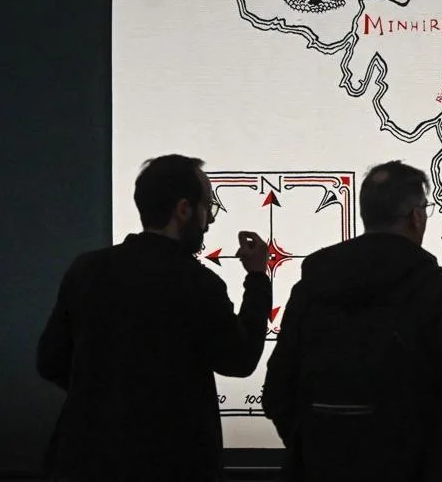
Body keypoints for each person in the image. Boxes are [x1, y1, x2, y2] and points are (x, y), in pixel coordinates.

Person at [36, 154, 272, 482]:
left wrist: (102, 395)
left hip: (86, 460)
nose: (209, 221)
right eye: (207, 207)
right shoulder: (198, 284)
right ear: (183, 209)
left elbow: (50, 361)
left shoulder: (86, 271)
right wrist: (258, 278)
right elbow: (240, 360)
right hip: (174, 462)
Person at [262, 160, 442, 482]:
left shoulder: (311, 288)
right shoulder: (437, 292)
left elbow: (277, 391)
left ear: (366, 215)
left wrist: (315, 448)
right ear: (416, 216)